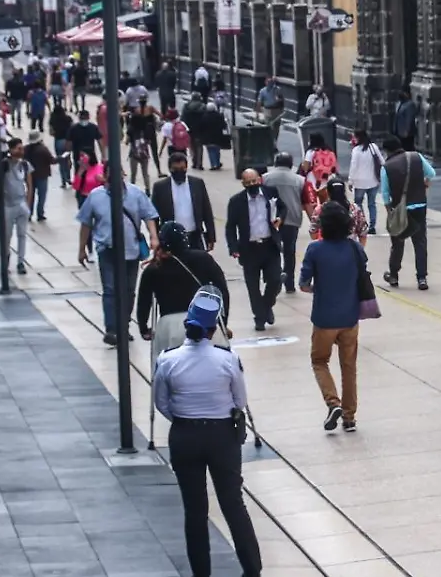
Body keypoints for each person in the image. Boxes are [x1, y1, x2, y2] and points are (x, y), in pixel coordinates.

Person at [152, 294, 263, 577]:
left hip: (184, 435)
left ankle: (201, 572)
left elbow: (162, 403)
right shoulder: (227, 359)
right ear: (214, 329)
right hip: (222, 437)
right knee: (232, 503)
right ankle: (252, 569)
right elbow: (239, 401)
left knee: (195, 509)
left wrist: (185, 416)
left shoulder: (167, 359)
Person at [298, 202, 367, 432]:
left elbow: (304, 285)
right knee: (349, 367)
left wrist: (318, 287)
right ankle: (349, 417)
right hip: (350, 317)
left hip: (324, 317)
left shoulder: (315, 250)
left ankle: (332, 402)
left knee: (319, 361)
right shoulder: (354, 248)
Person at [76, 169, 160, 345]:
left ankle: (124, 326)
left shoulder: (135, 193)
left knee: (129, 291)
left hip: (131, 249)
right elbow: (86, 223)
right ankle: (112, 329)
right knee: (110, 290)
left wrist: (154, 236)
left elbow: (149, 216)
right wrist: (82, 248)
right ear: (105, 177)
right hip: (107, 249)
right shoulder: (95, 196)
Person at [137, 221, 230, 353]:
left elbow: (144, 302)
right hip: (202, 322)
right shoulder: (204, 259)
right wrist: (223, 323)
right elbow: (222, 291)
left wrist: (143, 328)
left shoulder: (153, 268)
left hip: (169, 326)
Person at [225, 168, 286, 331]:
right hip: (249, 249)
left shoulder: (270, 193)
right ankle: (259, 318)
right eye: (248, 182)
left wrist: (280, 218)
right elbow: (230, 227)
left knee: (275, 280)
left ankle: (266, 307)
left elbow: (282, 208)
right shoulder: (236, 201)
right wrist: (233, 247)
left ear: (259, 180)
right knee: (253, 287)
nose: (252, 184)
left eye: (254, 181)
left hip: (269, 245)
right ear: (243, 183)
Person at [380, 135, 435, 290]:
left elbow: (385, 194)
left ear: (387, 151)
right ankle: (422, 278)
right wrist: (424, 184)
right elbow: (431, 173)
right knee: (420, 242)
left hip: (400, 209)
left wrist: (390, 212)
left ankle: (394, 275)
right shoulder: (416, 157)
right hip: (419, 205)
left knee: (397, 244)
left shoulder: (386, 167)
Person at [263, 152, 314, 293]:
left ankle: (273, 278)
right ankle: (289, 283)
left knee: (272, 249)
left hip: (270, 220)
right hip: (292, 219)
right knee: (289, 251)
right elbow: (308, 203)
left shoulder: (265, 179)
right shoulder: (300, 180)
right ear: (291, 164)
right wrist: (314, 223)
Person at [151, 152, 216, 251]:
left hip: (195, 237)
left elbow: (207, 210)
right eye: (175, 169)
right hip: (171, 240)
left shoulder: (197, 183)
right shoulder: (160, 187)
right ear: (170, 169)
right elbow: (154, 216)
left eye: (182, 169)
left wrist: (211, 237)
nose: (179, 172)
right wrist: (155, 238)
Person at [2, 137, 35, 275]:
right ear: (11, 149)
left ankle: (21, 261)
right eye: (18, 148)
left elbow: (29, 184)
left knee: (22, 234)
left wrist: (28, 204)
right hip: (8, 205)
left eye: (22, 148)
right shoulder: (5, 164)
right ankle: (6, 258)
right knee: (7, 235)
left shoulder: (25, 165)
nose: (21, 151)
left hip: (21, 203)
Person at [310, 177, 369, 246]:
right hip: (349, 249)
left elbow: (313, 234)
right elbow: (363, 233)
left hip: (326, 249)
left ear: (327, 192)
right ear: (344, 191)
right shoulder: (355, 209)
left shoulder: (320, 210)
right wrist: (359, 250)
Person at [348, 129, 383, 234]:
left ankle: (363, 224)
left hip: (360, 182)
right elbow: (382, 161)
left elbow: (353, 167)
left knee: (358, 204)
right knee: (372, 203)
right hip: (373, 180)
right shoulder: (373, 147)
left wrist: (350, 181)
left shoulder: (356, 150)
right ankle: (372, 226)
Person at [24, 131, 57, 221]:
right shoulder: (43, 149)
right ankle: (40, 213)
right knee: (42, 195)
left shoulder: (25, 149)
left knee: (30, 194)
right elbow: (52, 160)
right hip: (42, 175)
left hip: (30, 176)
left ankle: (29, 214)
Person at [181, 92, 207, 169]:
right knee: (199, 146)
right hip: (200, 129)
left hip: (189, 129)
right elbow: (205, 118)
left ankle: (194, 162)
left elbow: (183, 118)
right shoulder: (203, 106)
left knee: (192, 146)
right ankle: (199, 163)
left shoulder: (186, 106)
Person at [49, 107, 74, 188]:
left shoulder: (53, 120)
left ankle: (63, 181)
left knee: (61, 161)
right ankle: (69, 178)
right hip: (68, 141)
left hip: (58, 141)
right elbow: (72, 128)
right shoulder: (68, 119)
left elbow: (51, 132)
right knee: (68, 159)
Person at [202, 101, 228, 171]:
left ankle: (213, 164)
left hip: (208, 137)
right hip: (217, 136)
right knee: (217, 151)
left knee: (210, 151)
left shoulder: (204, 116)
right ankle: (217, 162)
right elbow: (224, 126)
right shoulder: (219, 116)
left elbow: (202, 126)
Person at [257, 76, 284, 142]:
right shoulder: (263, 91)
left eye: (271, 82)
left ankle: (275, 141)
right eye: (268, 82)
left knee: (276, 127)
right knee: (269, 126)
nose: (270, 84)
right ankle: (270, 142)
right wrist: (257, 113)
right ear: (265, 83)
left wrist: (279, 101)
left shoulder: (277, 90)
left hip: (276, 110)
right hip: (267, 110)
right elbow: (259, 102)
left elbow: (282, 100)